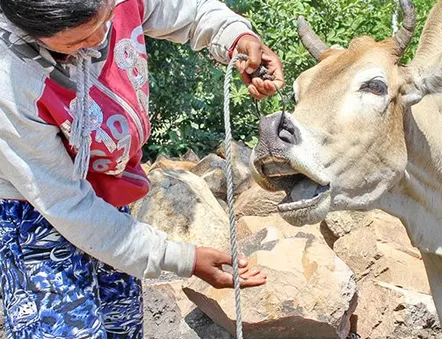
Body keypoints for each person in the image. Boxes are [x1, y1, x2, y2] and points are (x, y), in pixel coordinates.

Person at [0, 0, 284, 337]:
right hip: (36, 215)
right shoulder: (12, 83)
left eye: (105, 22)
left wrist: (234, 36)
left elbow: (189, 11)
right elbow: (69, 206)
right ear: (31, 32)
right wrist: (180, 258)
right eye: (76, 43)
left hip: (109, 195)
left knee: (122, 325)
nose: (99, 41)